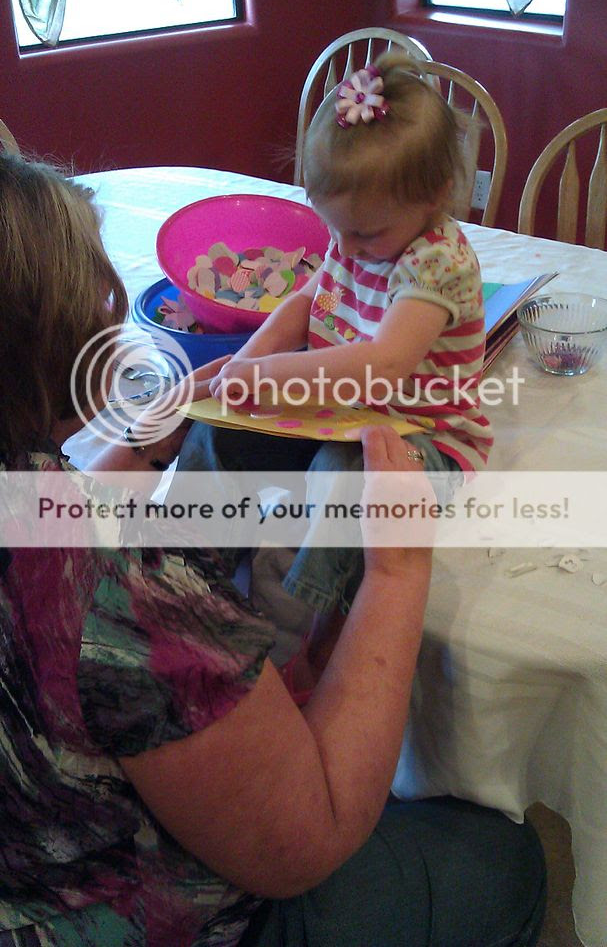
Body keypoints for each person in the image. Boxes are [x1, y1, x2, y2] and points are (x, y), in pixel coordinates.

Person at [0, 148, 545, 947]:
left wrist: (149, 444)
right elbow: (305, 846)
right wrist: (398, 566)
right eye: (98, 301)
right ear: (55, 349)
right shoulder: (116, 588)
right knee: (506, 861)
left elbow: (42, 517)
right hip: (135, 916)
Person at [175, 51, 493, 678]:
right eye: (334, 228)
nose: (344, 247)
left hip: (424, 441)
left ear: (433, 196)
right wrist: (242, 367)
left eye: (363, 235)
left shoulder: (438, 261)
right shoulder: (360, 229)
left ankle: (302, 637)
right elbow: (305, 302)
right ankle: (190, 572)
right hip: (341, 413)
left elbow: (383, 364)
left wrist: (265, 378)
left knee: (342, 478)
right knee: (217, 431)